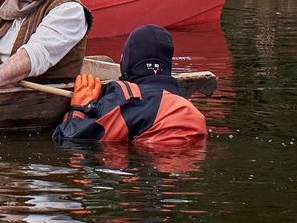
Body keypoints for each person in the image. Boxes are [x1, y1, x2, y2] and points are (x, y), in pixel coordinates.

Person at [52, 24, 208, 145]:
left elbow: (68, 138)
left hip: (144, 171)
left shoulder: (129, 96)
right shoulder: (187, 106)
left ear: (127, 60)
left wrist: (78, 107)